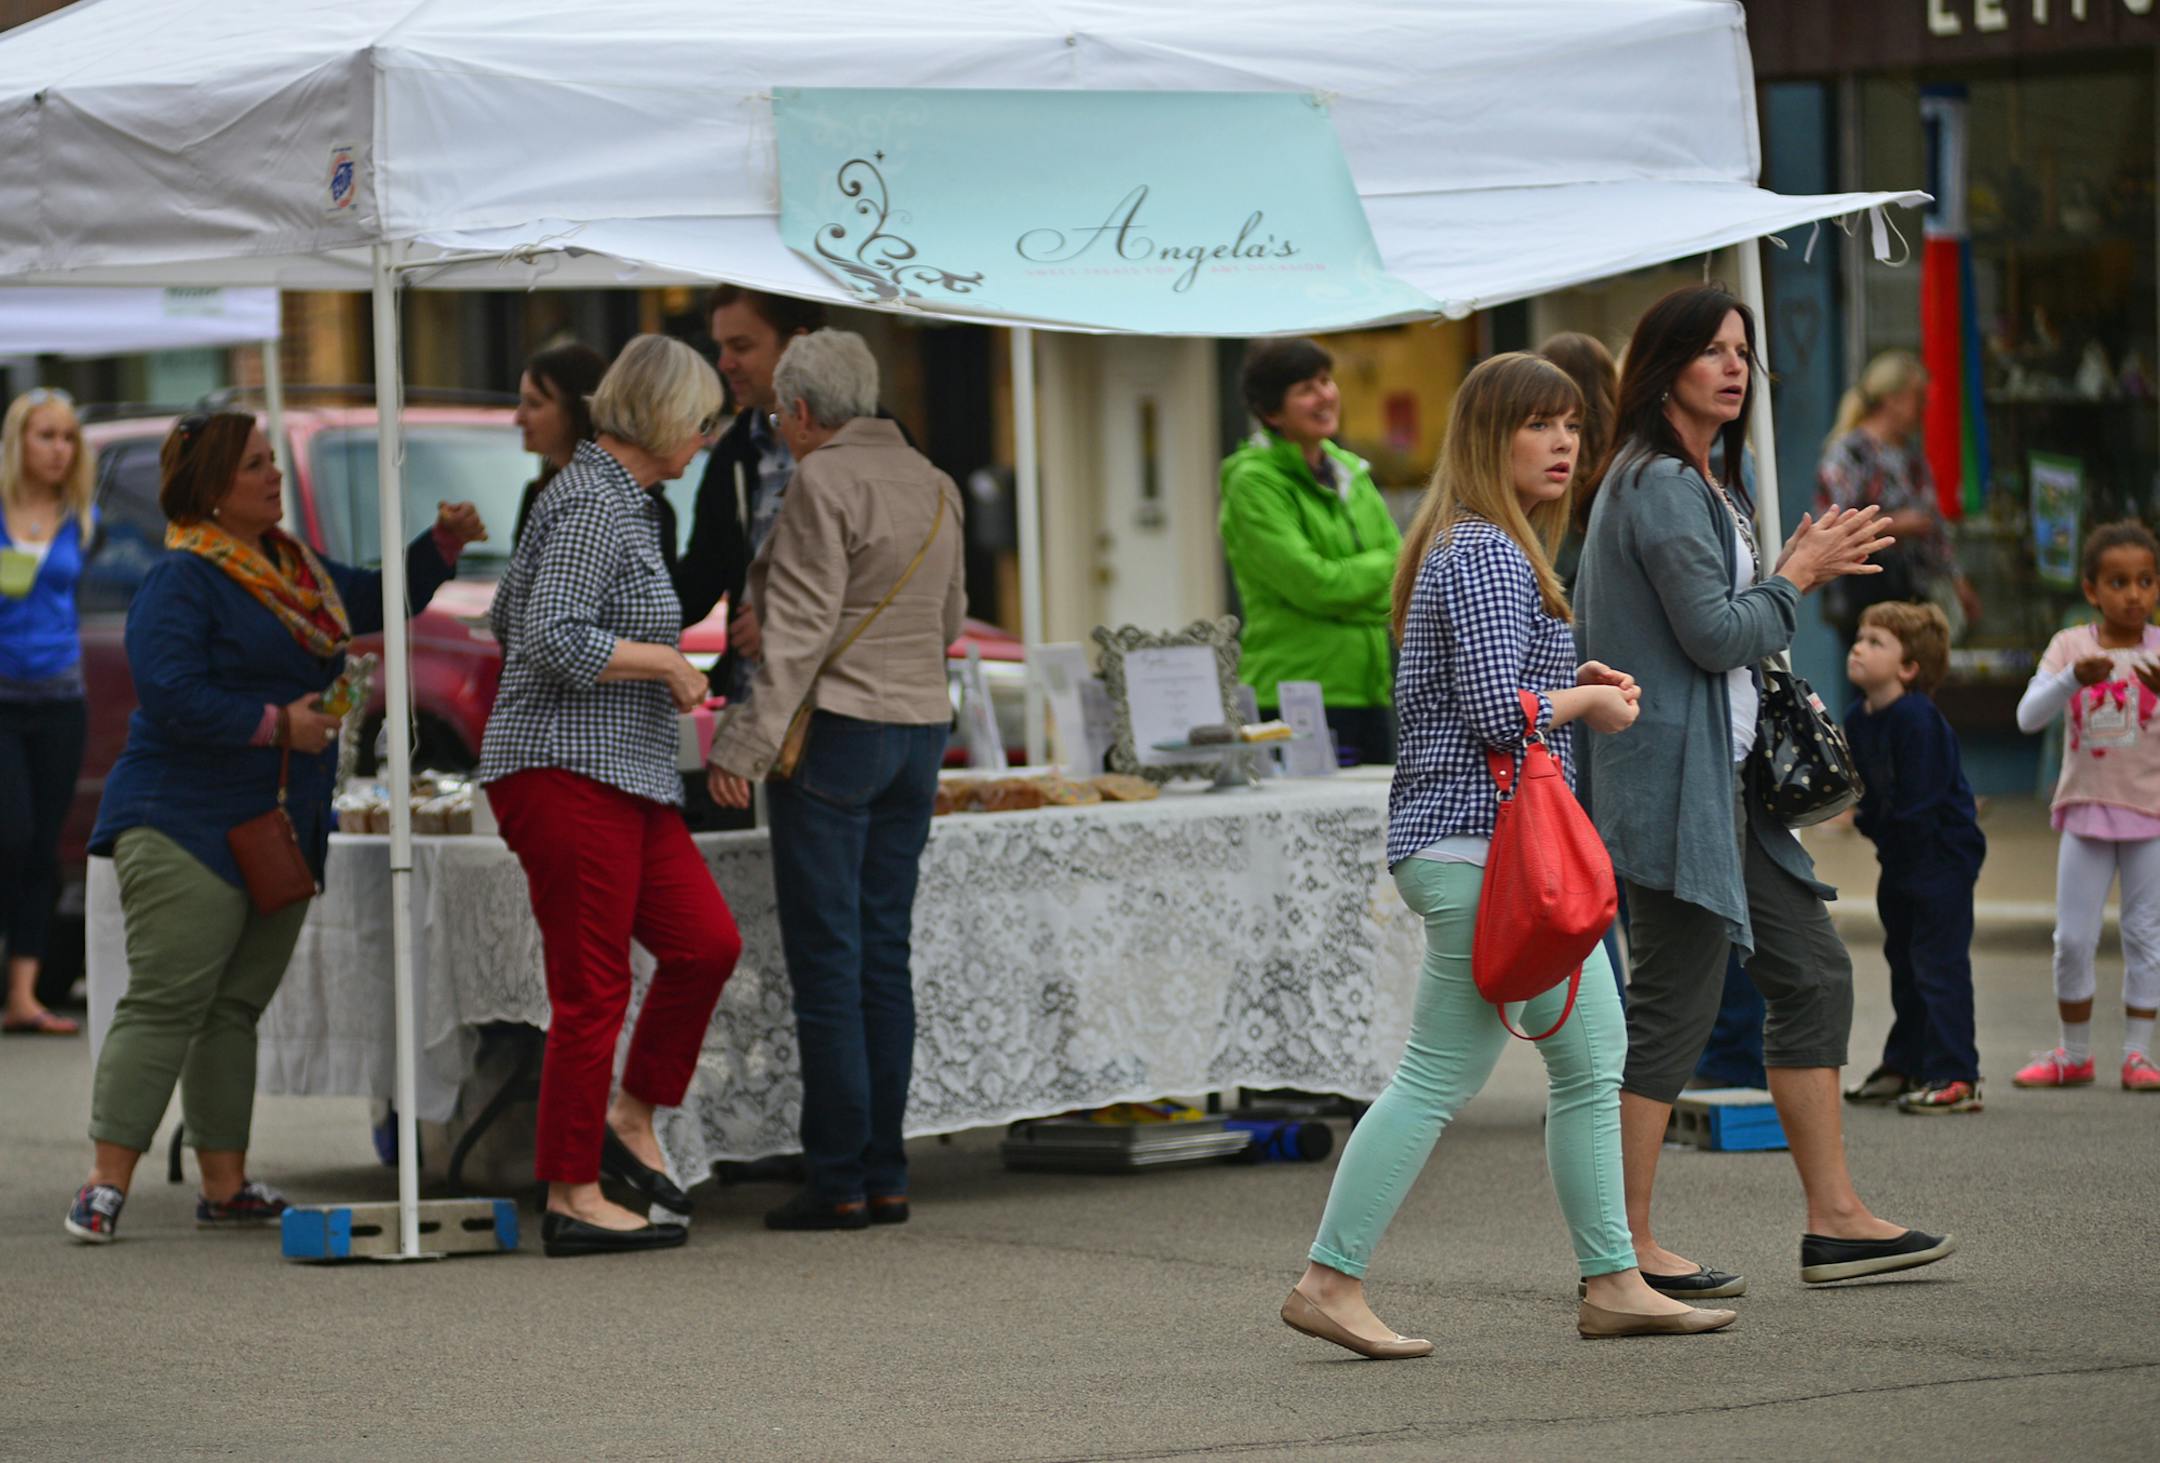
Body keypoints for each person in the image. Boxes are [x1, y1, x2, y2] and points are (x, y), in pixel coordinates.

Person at [1281, 352, 1735, 1358]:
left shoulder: (1474, 546)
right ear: (1493, 440)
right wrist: (1587, 702)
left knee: (1589, 1059)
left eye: (1573, 423)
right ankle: (1328, 1276)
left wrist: (1567, 671)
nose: (1566, 442)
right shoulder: (1487, 549)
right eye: (1539, 424)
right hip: (1484, 851)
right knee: (1440, 1075)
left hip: (1487, 849)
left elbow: (1479, 685)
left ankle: (1615, 1278)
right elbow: (1493, 715)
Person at [1575, 283, 1956, 1296]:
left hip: (1727, 790)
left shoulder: (1704, 480)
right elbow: (1715, 633)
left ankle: (1835, 1220)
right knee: (1672, 1006)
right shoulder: (1656, 482)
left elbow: (1726, 626)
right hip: (1675, 789)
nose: (1735, 367)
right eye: (1711, 351)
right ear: (1665, 371)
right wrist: (1799, 575)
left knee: (1813, 974)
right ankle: (1624, 1250)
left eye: (1743, 350)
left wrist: (1784, 570)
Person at [65, 411, 484, 1243]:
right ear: (214, 491)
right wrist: (274, 724)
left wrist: (436, 548)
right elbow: (173, 693)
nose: (274, 476)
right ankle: (103, 1184)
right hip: (182, 818)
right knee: (168, 1000)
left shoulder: (289, 564)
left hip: (277, 824)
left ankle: (225, 1185)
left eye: (270, 462)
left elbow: (364, 601)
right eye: (256, 465)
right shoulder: (181, 578)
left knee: (233, 1008)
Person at [478, 335, 744, 1258]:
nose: (708, 438)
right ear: (668, 417)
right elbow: (545, 632)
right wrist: (661, 659)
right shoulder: (594, 500)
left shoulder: (612, 498)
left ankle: (630, 1117)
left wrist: (648, 663)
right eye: (703, 421)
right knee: (591, 989)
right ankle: (571, 1192)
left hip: (619, 769)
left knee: (705, 943)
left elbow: (510, 612)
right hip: (564, 766)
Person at [707, 329, 965, 1232]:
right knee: (883, 954)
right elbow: (953, 616)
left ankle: (839, 1178)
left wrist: (742, 745)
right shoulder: (932, 479)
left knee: (830, 961)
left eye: (781, 413)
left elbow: (803, 632)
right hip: (919, 729)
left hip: (839, 735)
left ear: (806, 412)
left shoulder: (823, 480)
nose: (780, 427)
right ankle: (886, 1171)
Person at [2012, 520, 2160, 1094]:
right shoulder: (2072, 645)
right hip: (2085, 811)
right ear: (2092, 589)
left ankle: (2138, 1057)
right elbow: (2028, 718)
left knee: (2145, 933)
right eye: (2118, 582)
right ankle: (2074, 1055)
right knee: (2073, 938)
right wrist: (2073, 678)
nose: (2134, 594)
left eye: (2146, 581)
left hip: (2150, 813)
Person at [1220, 337, 1401, 765]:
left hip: (1371, 690)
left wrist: (1349, 590)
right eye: (1306, 389)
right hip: (1292, 697)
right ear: (1271, 413)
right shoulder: (1251, 482)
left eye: (1326, 381)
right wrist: (1367, 595)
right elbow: (1314, 583)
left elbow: (1402, 566)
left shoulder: (1349, 471)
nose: (1325, 395)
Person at [1841, 601, 1987, 1113]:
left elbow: (1920, 803)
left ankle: (1955, 1074)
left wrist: (1868, 823)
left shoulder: (1917, 718)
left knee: (1937, 964)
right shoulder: (1858, 719)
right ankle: (1907, 1063)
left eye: (1876, 642)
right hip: (1900, 859)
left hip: (1941, 859)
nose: (1859, 646)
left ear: (1909, 668)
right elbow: (1859, 790)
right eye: (1859, 637)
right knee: (1904, 961)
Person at [673, 286, 829, 680]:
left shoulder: (869, 439)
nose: (724, 364)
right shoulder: (735, 450)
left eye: (741, 346)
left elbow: (902, 581)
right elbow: (700, 579)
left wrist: (787, 620)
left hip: (843, 713)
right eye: (721, 347)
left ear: (797, 346)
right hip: (753, 701)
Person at [1, 388, 95, 1037]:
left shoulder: (83, 518)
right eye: (46, 435)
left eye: (67, 436)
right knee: (11, 832)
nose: (59, 448)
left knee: (41, 847)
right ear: (18, 441)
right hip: (2, 700)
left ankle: (24, 994)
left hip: (62, 700)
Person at [1817, 350, 1981, 643]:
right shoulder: (1849, 453)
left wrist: (1958, 581)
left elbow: (1934, 525)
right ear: (1892, 399)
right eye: (1917, 398)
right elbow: (1835, 524)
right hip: (1867, 591)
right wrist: (1895, 524)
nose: (1923, 407)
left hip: (1913, 593)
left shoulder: (1911, 456)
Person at [509, 342, 608, 547]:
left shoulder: (621, 499)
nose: (519, 418)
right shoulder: (537, 493)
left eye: (534, 404)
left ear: (576, 412)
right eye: (521, 403)